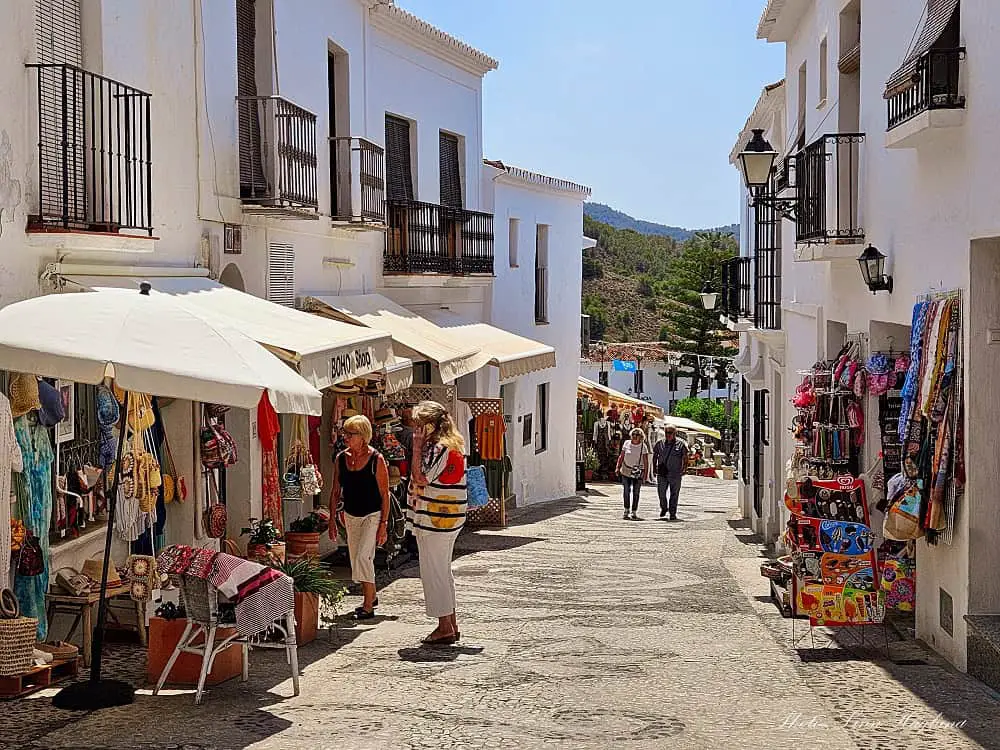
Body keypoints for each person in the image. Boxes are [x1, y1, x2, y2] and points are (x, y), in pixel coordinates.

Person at [408, 400, 467, 645]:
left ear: (429, 426)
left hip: (435, 519)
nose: (415, 429)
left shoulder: (437, 448)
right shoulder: (455, 443)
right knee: (442, 571)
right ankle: (450, 623)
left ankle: (444, 626)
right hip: (448, 517)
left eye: (419, 425)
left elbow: (420, 478)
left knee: (434, 572)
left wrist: (417, 448)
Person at [328, 415, 390, 620]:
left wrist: (384, 525)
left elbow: (385, 493)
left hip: (372, 513)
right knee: (356, 559)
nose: (345, 437)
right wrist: (331, 519)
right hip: (350, 515)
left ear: (363, 436)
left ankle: (367, 606)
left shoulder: (376, 459)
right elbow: (336, 490)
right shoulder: (341, 458)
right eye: (345, 433)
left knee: (364, 556)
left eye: (350, 434)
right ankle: (371, 596)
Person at [653, 425, 689, 521]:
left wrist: (684, 468)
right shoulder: (659, 444)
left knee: (674, 494)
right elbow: (655, 456)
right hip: (662, 473)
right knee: (661, 493)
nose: (668, 435)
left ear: (675, 433)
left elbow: (685, 457)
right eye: (666, 432)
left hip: (675, 473)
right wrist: (653, 468)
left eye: (670, 433)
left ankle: (672, 513)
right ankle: (664, 507)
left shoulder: (681, 444)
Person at [616, 428, 649, 520]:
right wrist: (617, 467)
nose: (635, 436)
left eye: (637, 435)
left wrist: (645, 475)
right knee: (626, 491)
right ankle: (626, 509)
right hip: (626, 470)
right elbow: (621, 456)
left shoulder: (643, 446)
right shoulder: (626, 443)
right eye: (633, 434)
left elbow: (646, 462)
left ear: (641, 437)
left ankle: (634, 511)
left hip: (638, 472)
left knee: (636, 492)